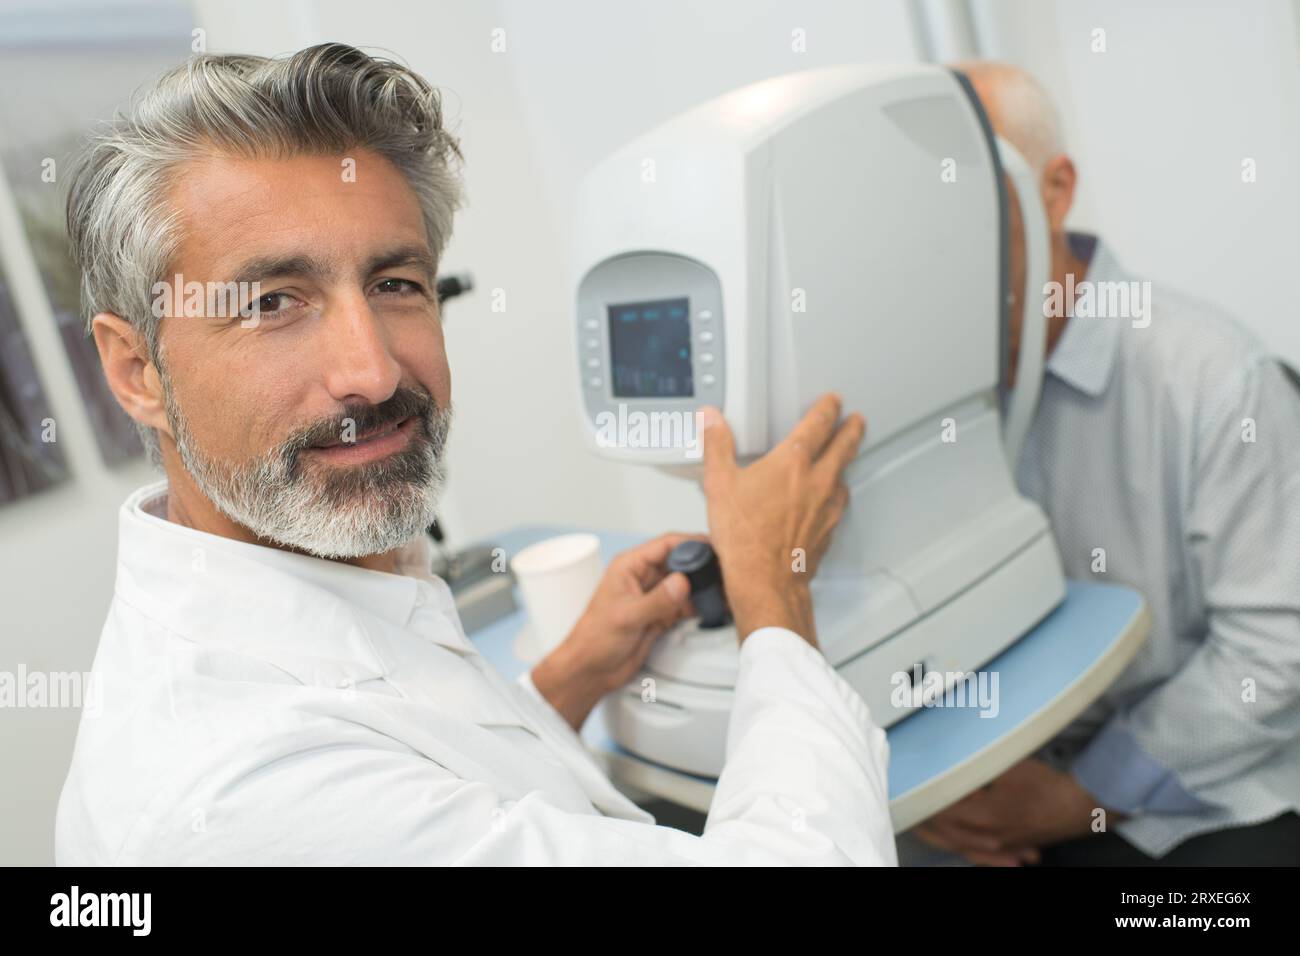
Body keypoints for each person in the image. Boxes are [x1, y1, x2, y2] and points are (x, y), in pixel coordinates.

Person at [54, 44, 896, 866]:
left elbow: (431, 788)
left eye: (394, 284)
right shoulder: (239, 794)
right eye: (274, 302)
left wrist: (570, 678)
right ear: (138, 372)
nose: (374, 372)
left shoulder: (294, 579)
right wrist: (772, 596)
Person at [908, 61, 1300, 866]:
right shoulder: (922, 395)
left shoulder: (1216, 378)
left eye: (970, 185)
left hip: (1209, 786)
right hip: (1005, 772)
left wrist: (1084, 795)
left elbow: (1273, 651)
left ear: (1054, 191)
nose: (937, 228)